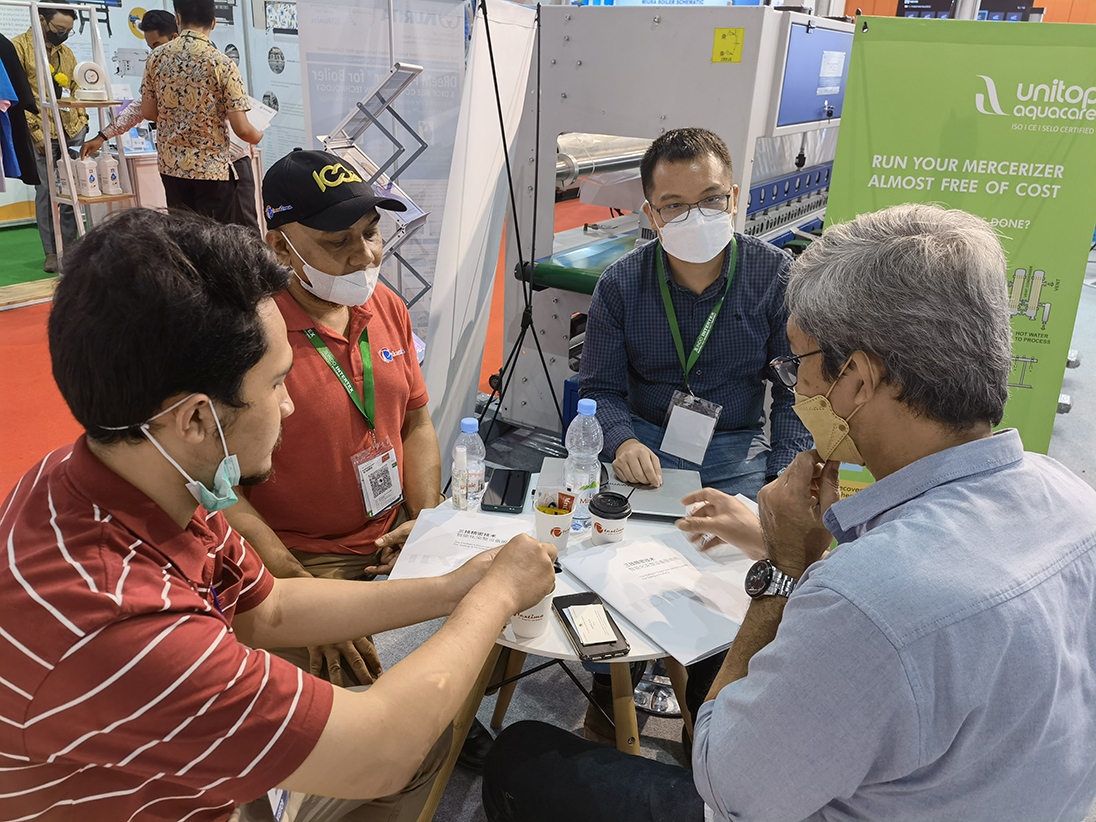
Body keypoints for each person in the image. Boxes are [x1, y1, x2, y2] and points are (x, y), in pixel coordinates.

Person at [481, 203, 1096, 822]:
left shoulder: (866, 600)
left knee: (521, 753)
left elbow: (726, 784)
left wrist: (783, 571)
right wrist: (785, 543)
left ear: (858, 379)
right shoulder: (1072, 501)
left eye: (798, 363)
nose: (796, 386)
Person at [0, 207, 556, 822]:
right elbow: (382, 752)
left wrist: (456, 586)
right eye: (276, 384)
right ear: (195, 418)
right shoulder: (122, 622)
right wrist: (498, 595)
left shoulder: (123, 474)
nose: (289, 406)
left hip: (183, 778)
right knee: (411, 747)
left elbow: (270, 608)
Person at [220, 149, 494, 772]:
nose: (365, 256)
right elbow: (217, 486)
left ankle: (445, 707)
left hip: (394, 527)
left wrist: (424, 521)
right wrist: (296, 580)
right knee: (364, 738)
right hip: (303, 554)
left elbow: (416, 420)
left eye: (371, 232)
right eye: (337, 241)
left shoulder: (386, 307)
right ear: (280, 246)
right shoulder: (250, 334)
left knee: (490, 611)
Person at [579, 127, 811, 500]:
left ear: (733, 199)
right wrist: (623, 442)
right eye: (674, 205)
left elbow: (797, 390)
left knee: (754, 533)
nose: (696, 217)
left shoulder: (776, 276)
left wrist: (785, 475)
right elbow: (600, 388)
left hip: (736, 448)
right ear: (652, 215)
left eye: (711, 199)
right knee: (615, 529)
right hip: (644, 441)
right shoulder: (620, 283)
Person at [140, 0, 262, 224]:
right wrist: (258, 135)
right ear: (213, 22)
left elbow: (148, 112)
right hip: (211, 170)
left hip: (172, 167)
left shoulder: (155, 58)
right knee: (214, 237)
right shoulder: (222, 64)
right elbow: (243, 130)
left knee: (183, 234)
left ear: (177, 18)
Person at [12, 0, 87, 273]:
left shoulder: (66, 53)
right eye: (59, 29)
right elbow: (17, 96)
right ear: (42, 20)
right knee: (45, 192)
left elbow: (78, 89)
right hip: (40, 133)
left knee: (70, 191)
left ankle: (72, 248)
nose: (63, 34)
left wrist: (82, 122)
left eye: (68, 30)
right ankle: (51, 252)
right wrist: (35, 133)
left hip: (71, 131)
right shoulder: (18, 48)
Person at [79, 10, 178, 160]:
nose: (154, 53)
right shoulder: (157, 69)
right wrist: (102, 136)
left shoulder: (199, 67)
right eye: (151, 48)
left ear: (175, 38)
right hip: (170, 158)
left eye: (157, 46)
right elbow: (140, 107)